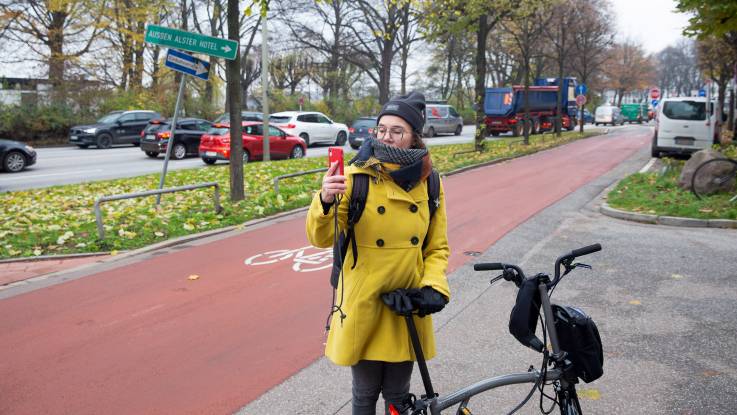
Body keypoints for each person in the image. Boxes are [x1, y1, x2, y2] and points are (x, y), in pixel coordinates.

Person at [305, 91, 451, 414]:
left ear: (414, 137)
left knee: (399, 397)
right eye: (381, 129)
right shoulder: (356, 178)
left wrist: (432, 288)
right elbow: (320, 235)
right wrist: (326, 200)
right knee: (364, 394)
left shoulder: (431, 183)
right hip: (366, 303)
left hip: (406, 304)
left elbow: (436, 247)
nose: (386, 137)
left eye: (397, 131)